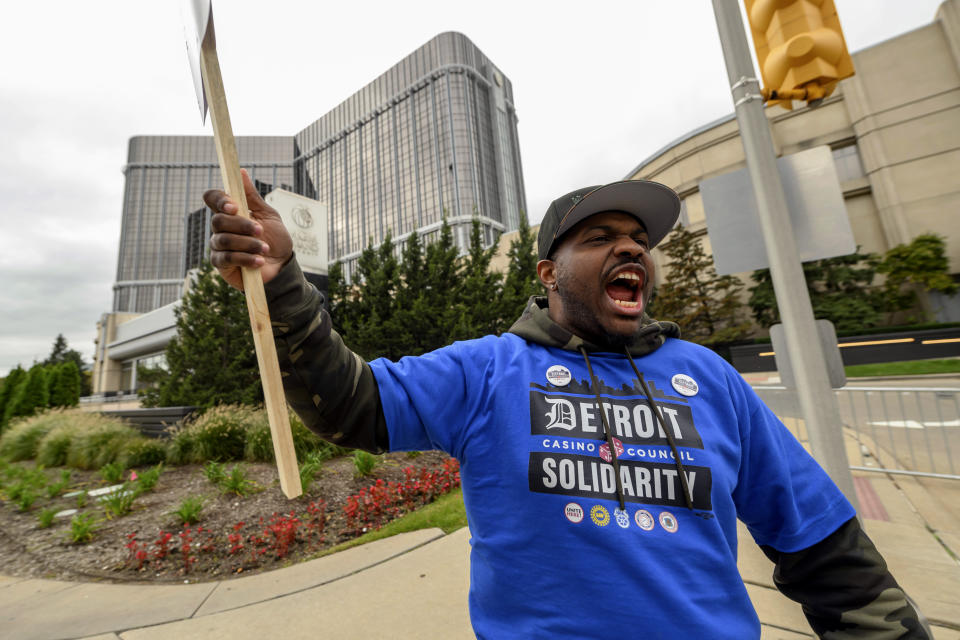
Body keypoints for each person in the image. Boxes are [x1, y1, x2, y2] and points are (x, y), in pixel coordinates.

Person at [205, 173, 929, 639]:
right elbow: (350, 403)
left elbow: (826, 552)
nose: (632, 251)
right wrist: (281, 285)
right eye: (602, 238)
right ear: (550, 273)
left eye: (640, 242)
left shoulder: (709, 378)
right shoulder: (487, 370)